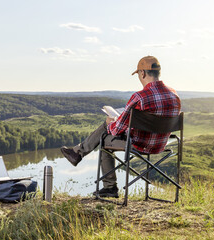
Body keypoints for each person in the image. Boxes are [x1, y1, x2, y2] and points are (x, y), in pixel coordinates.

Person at [60, 56, 181, 198]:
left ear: (142, 73)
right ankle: (77, 153)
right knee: (110, 128)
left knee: (105, 136)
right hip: (161, 145)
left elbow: (117, 130)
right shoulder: (174, 94)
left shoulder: (140, 97)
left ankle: (109, 186)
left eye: (138, 75)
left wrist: (110, 123)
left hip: (139, 144)